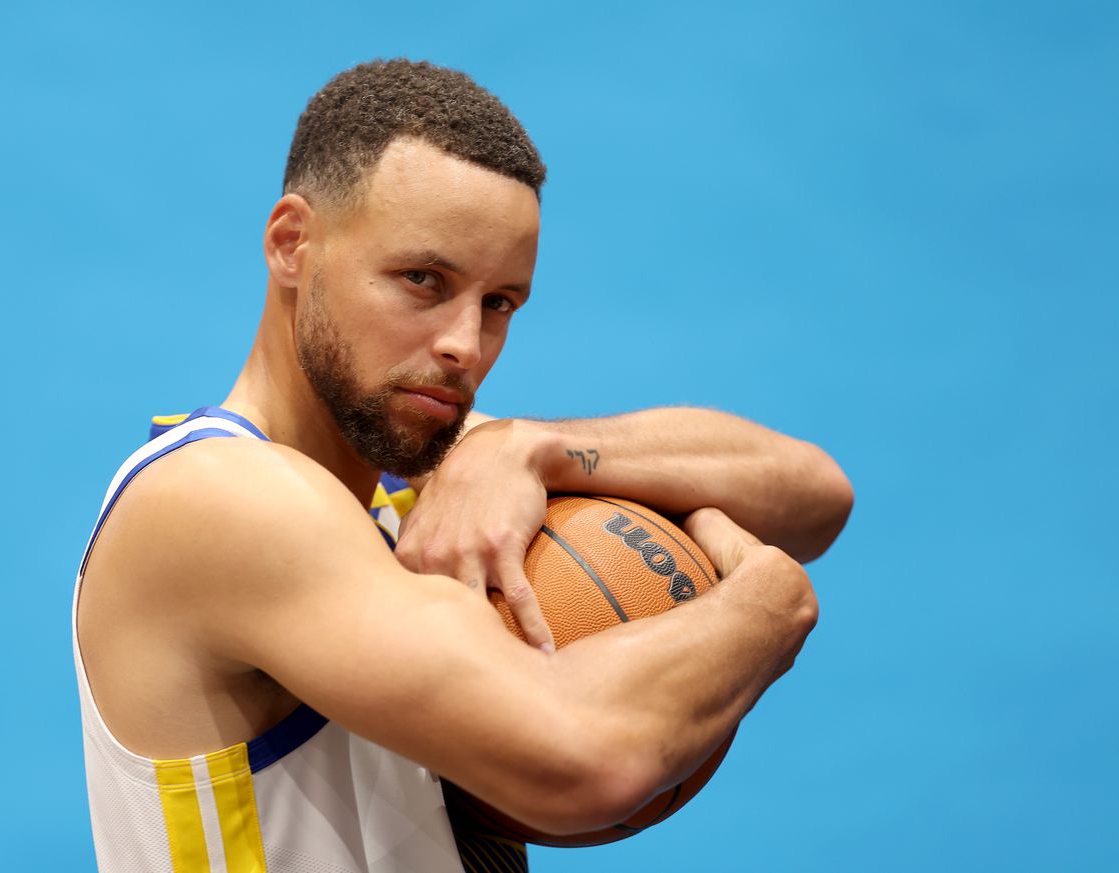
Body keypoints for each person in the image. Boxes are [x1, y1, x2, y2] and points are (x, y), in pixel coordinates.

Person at [72, 59, 853, 873]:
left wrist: (531, 446)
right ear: (292, 244)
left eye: (499, 302)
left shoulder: (426, 471)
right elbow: (586, 763)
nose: (463, 344)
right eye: (422, 279)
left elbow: (815, 495)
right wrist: (772, 602)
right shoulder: (222, 498)